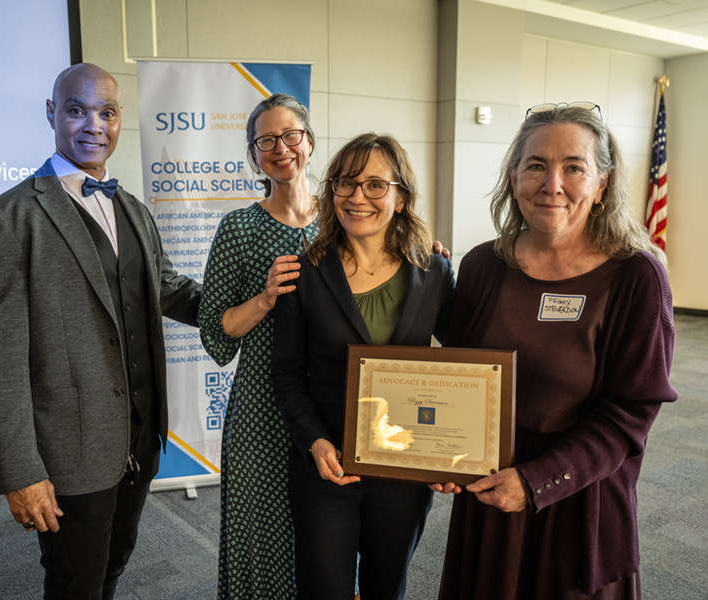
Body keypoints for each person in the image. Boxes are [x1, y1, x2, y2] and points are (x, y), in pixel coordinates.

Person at [0, 63, 201, 600]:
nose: (94, 125)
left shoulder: (133, 209)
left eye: (108, 112)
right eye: (77, 110)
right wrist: (20, 472)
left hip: (140, 432)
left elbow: (169, 290)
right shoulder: (7, 218)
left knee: (115, 565)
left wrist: (258, 302)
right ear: (52, 113)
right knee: (75, 582)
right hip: (69, 448)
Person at [433, 103, 677, 600]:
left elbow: (630, 413)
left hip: (580, 505)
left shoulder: (636, 277)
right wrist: (440, 454)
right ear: (514, 175)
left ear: (602, 184)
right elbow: (456, 375)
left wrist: (537, 482)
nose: (553, 184)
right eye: (537, 165)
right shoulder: (483, 265)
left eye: (574, 167)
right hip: (490, 499)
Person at [271, 133, 454, 600]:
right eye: (345, 183)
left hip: (404, 468)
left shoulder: (433, 271)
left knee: (385, 587)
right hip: (328, 465)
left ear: (401, 195)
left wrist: (455, 452)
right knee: (323, 588)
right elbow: (287, 375)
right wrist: (313, 441)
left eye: (375, 185)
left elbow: (461, 368)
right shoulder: (303, 271)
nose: (357, 197)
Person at [199, 93, 318, 600]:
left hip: (329, 402)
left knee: (325, 526)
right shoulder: (239, 228)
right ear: (254, 155)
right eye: (265, 140)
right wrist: (266, 297)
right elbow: (216, 327)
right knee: (260, 526)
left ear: (309, 142)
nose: (280, 148)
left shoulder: (342, 221)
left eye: (290, 135)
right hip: (260, 409)